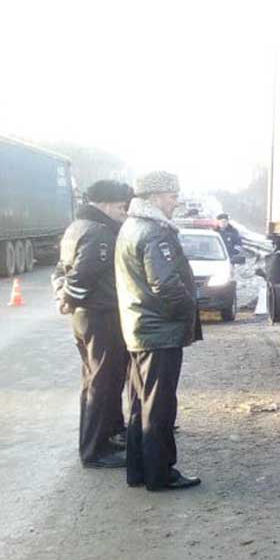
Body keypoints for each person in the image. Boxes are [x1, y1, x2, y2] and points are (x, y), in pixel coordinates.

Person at [116, 170, 202, 491]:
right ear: (153, 198)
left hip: (139, 328)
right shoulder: (154, 233)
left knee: (141, 402)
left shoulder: (130, 227)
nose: (175, 202)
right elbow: (165, 284)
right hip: (158, 331)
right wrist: (187, 310)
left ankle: (139, 470)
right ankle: (161, 473)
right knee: (160, 405)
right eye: (171, 195)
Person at [53, 179, 134, 468]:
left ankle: (109, 433)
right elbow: (84, 274)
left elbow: (61, 269)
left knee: (95, 379)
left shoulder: (76, 227)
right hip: (102, 314)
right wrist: (70, 297)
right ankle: (95, 450)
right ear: (107, 204)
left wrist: (64, 296)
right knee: (103, 381)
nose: (124, 213)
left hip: (86, 316)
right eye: (122, 208)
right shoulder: (100, 232)